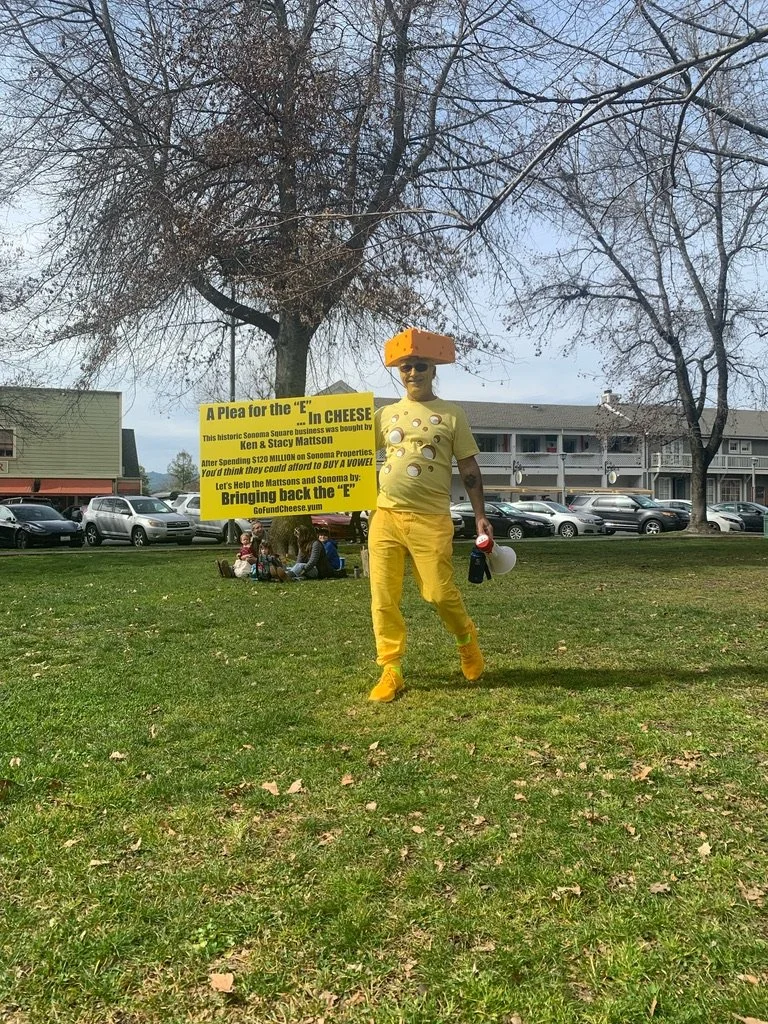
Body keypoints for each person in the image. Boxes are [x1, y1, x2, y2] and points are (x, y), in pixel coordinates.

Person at [367, 328, 493, 703]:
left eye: (420, 366)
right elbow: (346, 452)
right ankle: (391, 669)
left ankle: (466, 640)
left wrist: (481, 516)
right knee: (383, 597)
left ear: (433, 368)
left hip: (430, 519)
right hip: (385, 516)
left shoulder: (452, 414)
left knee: (439, 592)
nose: (412, 373)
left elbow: (469, 469)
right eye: (405, 367)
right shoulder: (384, 415)